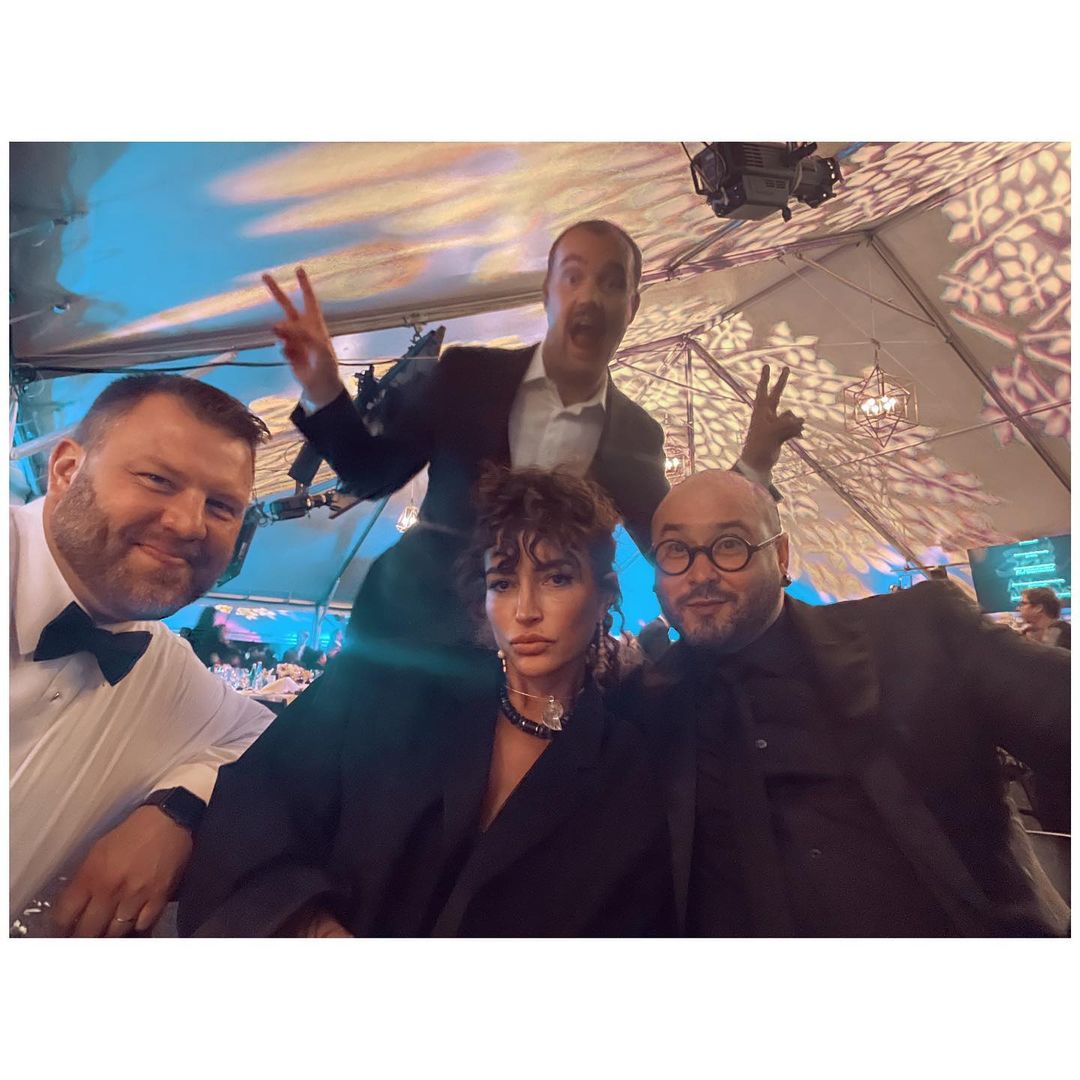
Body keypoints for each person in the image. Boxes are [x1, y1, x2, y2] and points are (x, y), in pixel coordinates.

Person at [177, 468, 674, 937]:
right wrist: (305, 922)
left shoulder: (626, 770)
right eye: (503, 583)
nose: (525, 610)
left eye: (556, 578)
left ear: (603, 595)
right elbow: (256, 803)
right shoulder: (392, 694)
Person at [265, 219, 803, 646]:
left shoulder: (637, 434)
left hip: (542, 652)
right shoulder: (466, 374)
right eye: (573, 277)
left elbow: (672, 544)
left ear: (632, 307)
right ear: (547, 293)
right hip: (413, 627)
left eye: (612, 282)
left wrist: (753, 465)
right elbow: (370, 472)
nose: (589, 296)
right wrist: (322, 386)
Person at [617, 469, 1070, 936]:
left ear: (781, 555)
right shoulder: (647, 702)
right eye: (675, 550)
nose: (700, 574)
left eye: (730, 544)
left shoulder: (918, 635)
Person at [9, 374, 275, 936]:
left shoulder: (168, 672)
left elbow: (267, 742)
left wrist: (179, 809)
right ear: (66, 469)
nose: (188, 524)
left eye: (222, 506)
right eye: (157, 480)